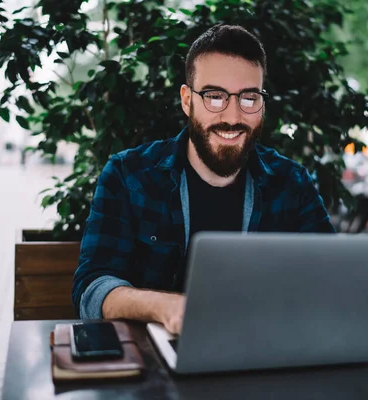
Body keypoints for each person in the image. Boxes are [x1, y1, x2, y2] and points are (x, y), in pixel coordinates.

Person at [72, 24, 335, 334]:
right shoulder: (128, 176)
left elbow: (330, 281)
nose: (233, 116)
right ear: (187, 100)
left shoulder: (292, 184)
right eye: (214, 96)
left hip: (266, 360)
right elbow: (91, 288)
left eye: (249, 98)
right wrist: (166, 307)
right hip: (157, 368)